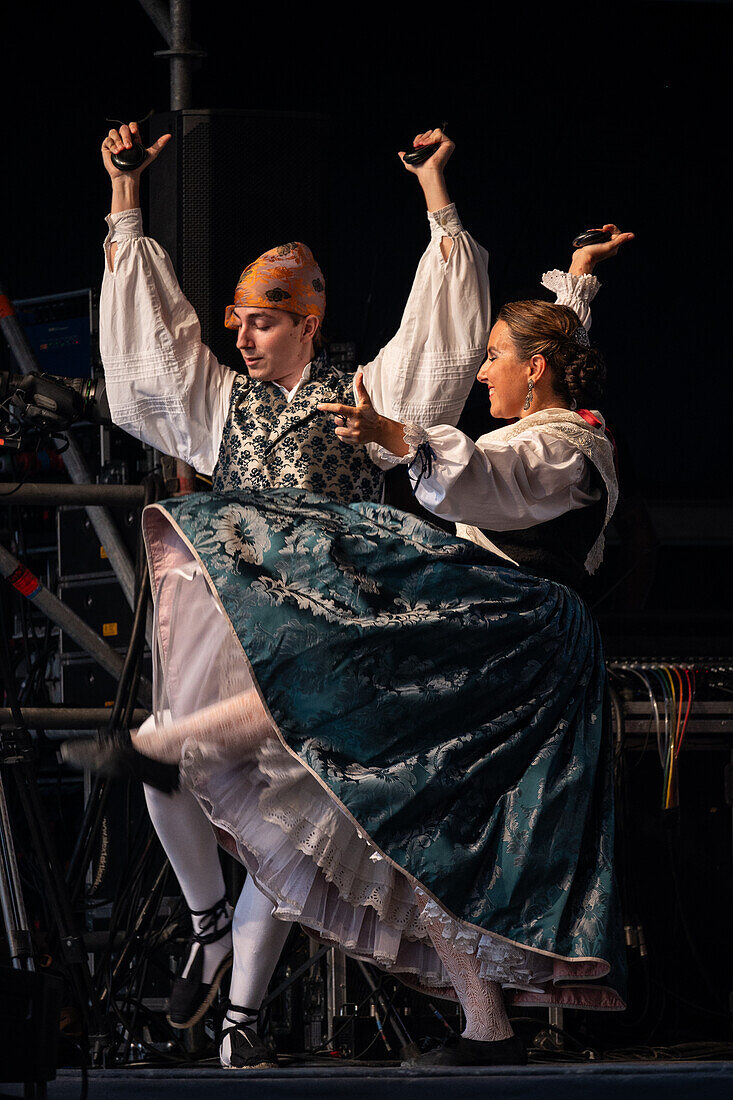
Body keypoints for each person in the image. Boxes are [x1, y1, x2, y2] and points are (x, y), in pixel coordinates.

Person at [68, 215, 634, 1067]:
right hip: (482, 631)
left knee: (353, 711)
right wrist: (577, 283)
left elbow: (492, 480)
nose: (481, 372)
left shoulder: (565, 447)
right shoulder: (550, 422)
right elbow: (543, 375)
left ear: (535, 369)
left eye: (494, 359)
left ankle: (171, 743)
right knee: (404, 815)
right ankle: (486, 1026)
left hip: (514, 642)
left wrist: (393, 438)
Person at [89, 119, 492, 1068]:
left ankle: (237, 1019)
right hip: (236, 623)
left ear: (307, 321)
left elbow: (444, 339)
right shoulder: (223, 404)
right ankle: (207, 933)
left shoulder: (362, 393)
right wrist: (124, 198)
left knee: (284, 821)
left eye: (262, 319)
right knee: (171, 763)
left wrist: (436, 192)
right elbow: (148, 352)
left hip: (329, 641)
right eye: (237, 320)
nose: (241, 334)